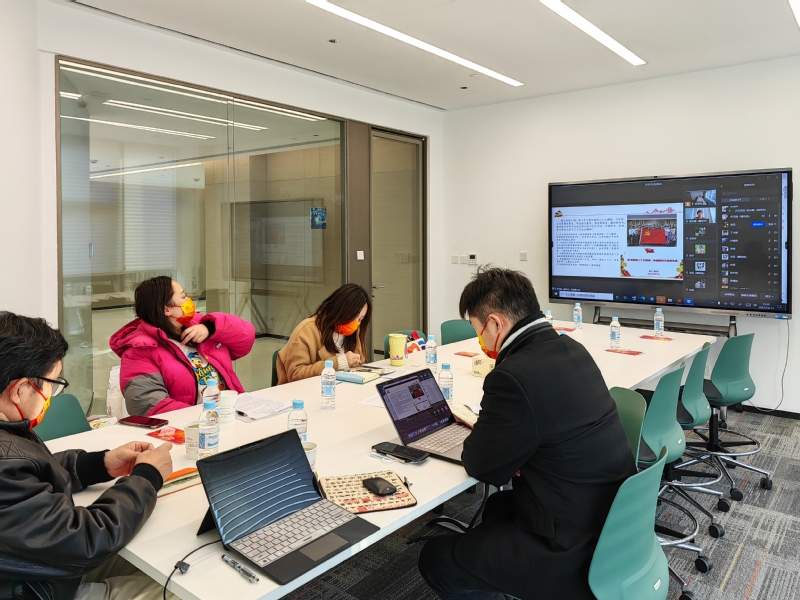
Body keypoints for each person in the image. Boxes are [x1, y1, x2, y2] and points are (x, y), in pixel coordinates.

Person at [418, 267, 636, 600]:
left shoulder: (513, 376)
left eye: (478, 330)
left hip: (572, 547)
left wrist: (510, 450)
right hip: (615, 522)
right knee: (498, 507)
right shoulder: (572, 349)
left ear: (495, 323)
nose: (480, 340)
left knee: (436, 558)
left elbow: (481, 466)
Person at [0, 312, 175, 600]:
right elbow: (86, 541)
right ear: (19, 390)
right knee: (180, 588)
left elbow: (28, 474)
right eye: (52, 383)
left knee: (165, 557)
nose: (52, 394)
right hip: (37, 588)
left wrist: (97, 465)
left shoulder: (8, 433)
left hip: (37, 568)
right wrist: (147, 478)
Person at [110, 276, 255, 416]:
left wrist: (210, 328)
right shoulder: (139, 351)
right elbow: (149, 405)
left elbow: (246, 336)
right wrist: (207, 416)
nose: (189, 301)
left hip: (232, 413)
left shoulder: (198, 325)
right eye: (183, 297)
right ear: (167, 310)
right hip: (195, 425)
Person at [277, 283, 371, 384]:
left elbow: (359, 364)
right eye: (353, 317)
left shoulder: (354, 332)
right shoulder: (307, 329)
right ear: (340, 310)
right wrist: (338, 363)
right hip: (309, 390)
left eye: (360, 319)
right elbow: (296, 374)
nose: (356, 323)